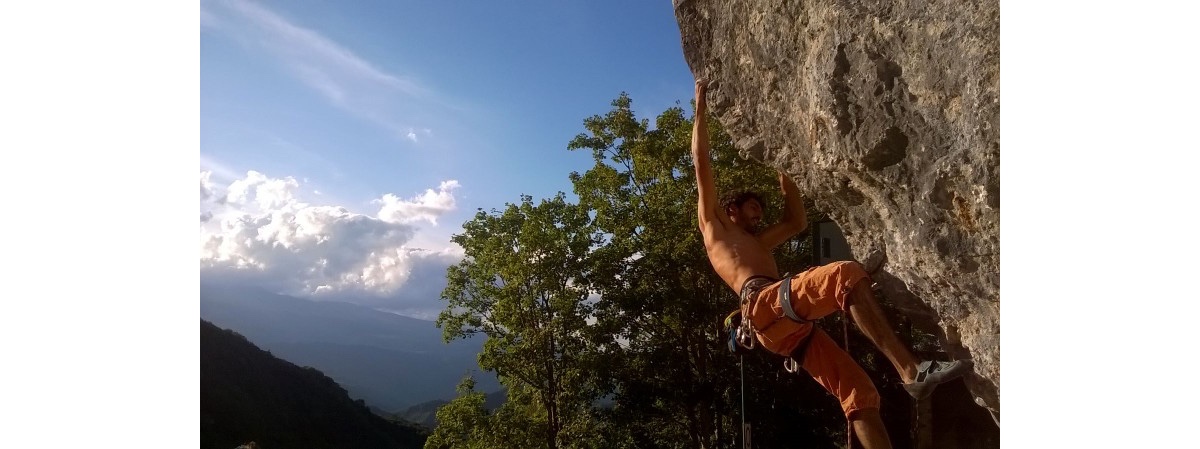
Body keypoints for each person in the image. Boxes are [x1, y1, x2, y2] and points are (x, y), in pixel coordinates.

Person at [690, 79, 972, 449]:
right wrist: (700, 108)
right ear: (732, 210)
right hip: (762, 305)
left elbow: (796, 223)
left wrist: (783, 169)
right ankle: (911, 369)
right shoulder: (716, 229)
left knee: (860, 392)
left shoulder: (756, 243)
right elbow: (701, 163)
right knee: (844, 274)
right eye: (753, 209)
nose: (760, 216)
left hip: (784, 329)